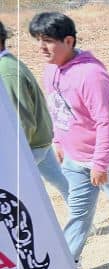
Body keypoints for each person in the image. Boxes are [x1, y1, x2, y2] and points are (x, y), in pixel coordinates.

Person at [29, 12, 109, 269]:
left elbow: (107, 122)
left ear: (68, 41)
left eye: (47, 40)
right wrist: (59, 141)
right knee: (78, 213)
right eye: (38, 40)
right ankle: (68, 265)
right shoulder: (51, 70)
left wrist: (100, 163)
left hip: (107, 160)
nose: (41, 47)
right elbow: (57, 110)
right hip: (76, 158)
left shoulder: (92, 76)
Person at [0, 20, 69, 201]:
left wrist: (16, 154)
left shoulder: (5, 71)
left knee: (20, 193)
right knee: (60, 181)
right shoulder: (8, 63)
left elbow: (21, 118)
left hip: (30, 145)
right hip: (39, 138)